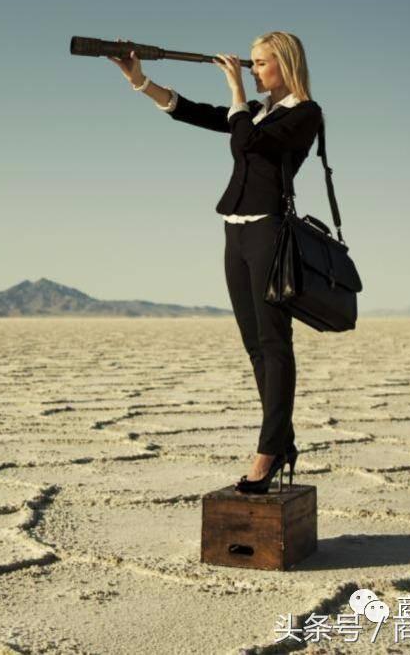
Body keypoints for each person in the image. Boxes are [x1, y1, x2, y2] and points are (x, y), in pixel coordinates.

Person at [109, 31, 322, 494]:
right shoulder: (260, 112)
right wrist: (141, 81)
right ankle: (280, 442)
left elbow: (246, 143)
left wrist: (236, 93)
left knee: (274, 342)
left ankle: (267, 452)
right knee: (253, 345)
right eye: (251, 62)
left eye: (261, 63)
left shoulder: (304, 114)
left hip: (269, 230)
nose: (253, 69)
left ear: (285, 64)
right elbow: (191, 112)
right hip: (235, 229)